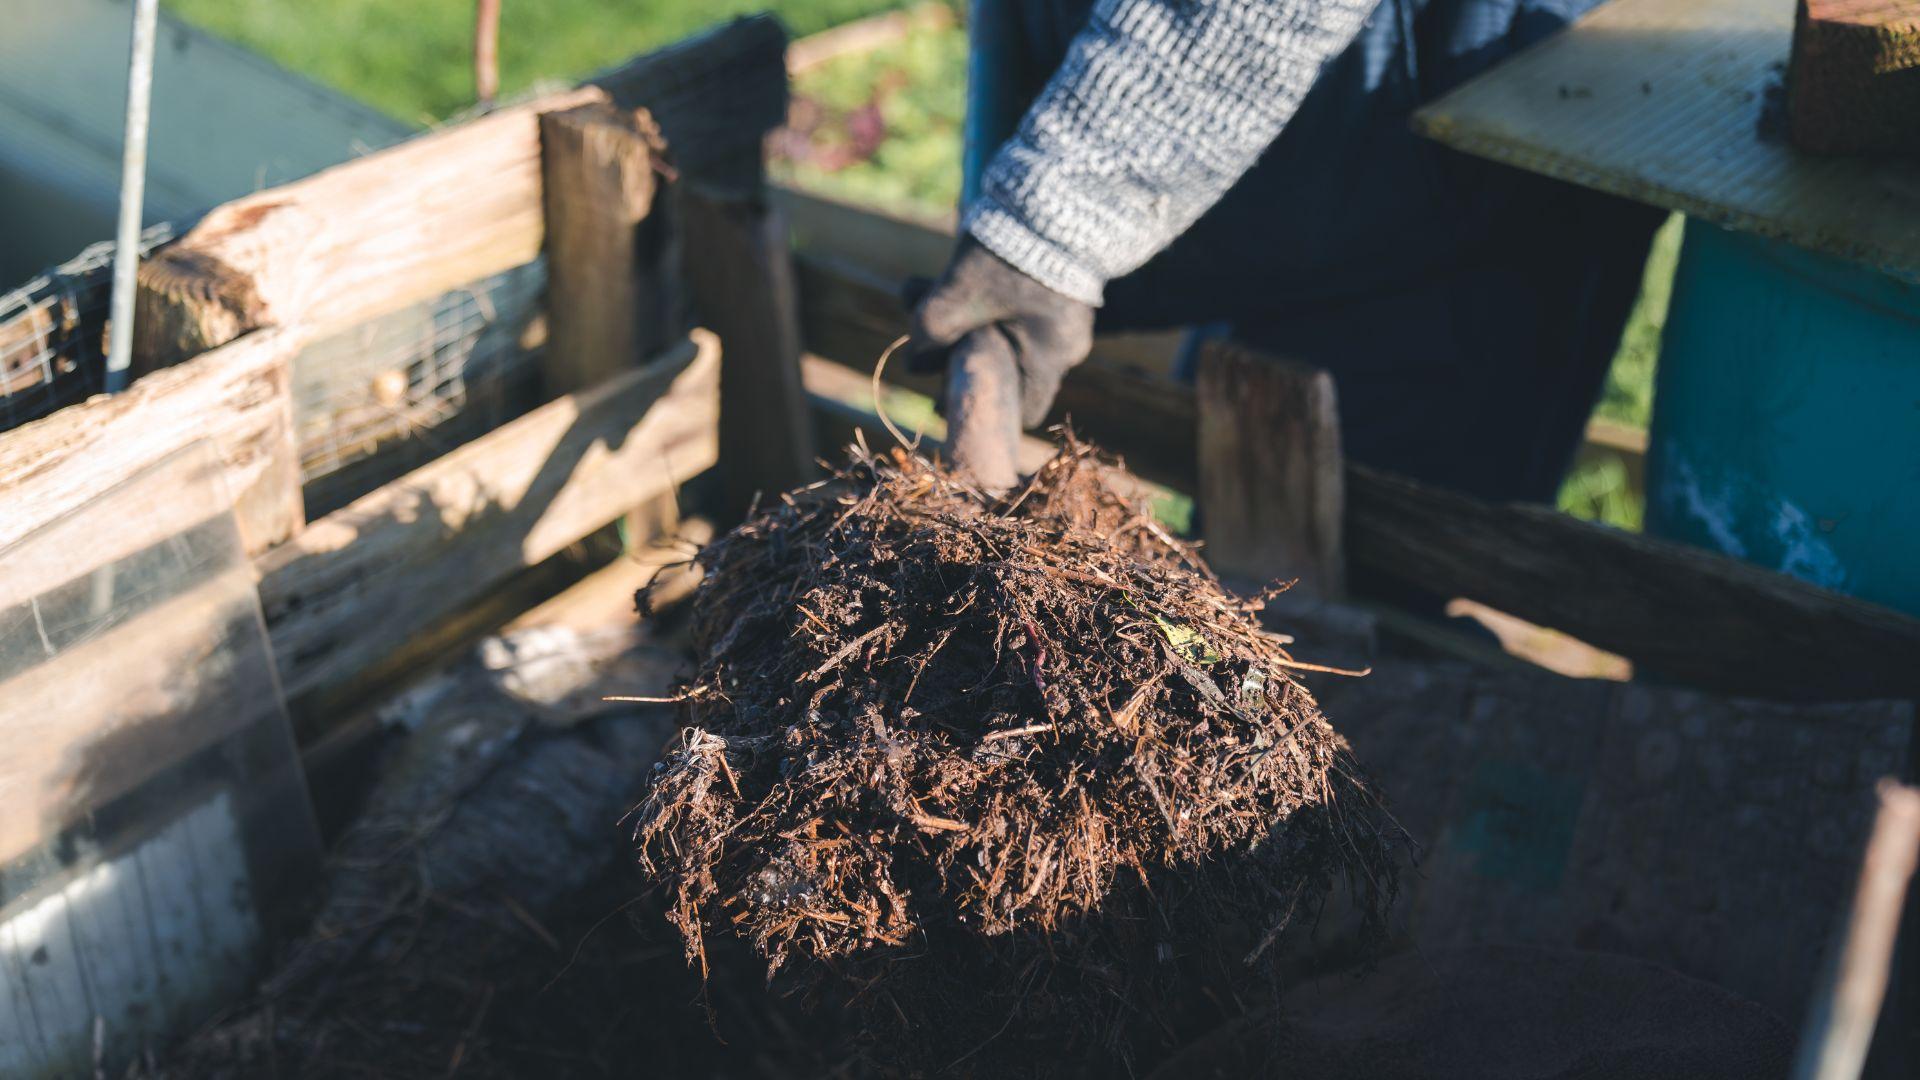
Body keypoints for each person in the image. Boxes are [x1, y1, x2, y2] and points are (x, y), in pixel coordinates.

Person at [910, 0, 1662, 506]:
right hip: (1251, 138)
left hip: (1468, 106)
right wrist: (1005, 193)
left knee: (1385, 545)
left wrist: (1049, 224)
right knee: (1250, 501)